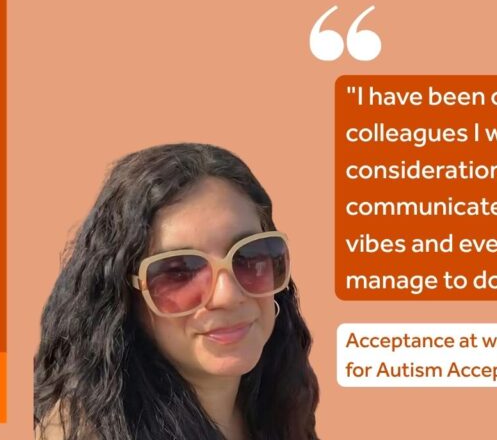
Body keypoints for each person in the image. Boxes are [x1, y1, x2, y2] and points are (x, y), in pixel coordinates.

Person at [34, 143, 319, 440]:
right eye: (178, 272)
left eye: (248, 256)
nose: (228, 295)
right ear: (123, 297)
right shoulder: (84, 432)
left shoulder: (282, 405)